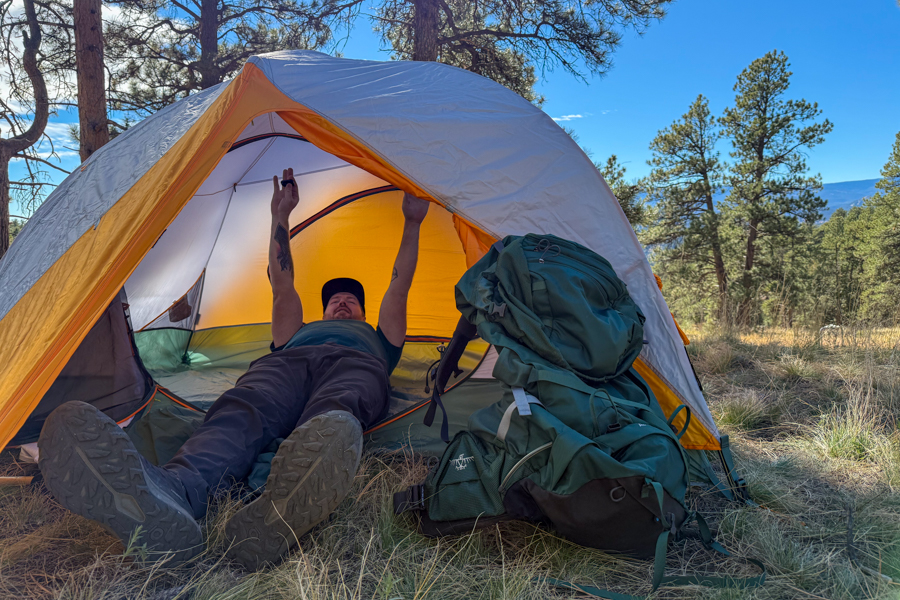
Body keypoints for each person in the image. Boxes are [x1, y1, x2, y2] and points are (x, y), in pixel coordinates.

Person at [37, 168, 430, 569]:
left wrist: (412, 223)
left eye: (351, 300)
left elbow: (399, 284)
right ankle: (175, 492)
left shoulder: (379, 339)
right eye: (335, 300)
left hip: (355, 365)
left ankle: (266, 502)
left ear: (363, 311)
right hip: (286, 363)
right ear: (324, 309)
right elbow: (282, 284)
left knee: (333, 417)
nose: (342, 303)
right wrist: (281, 216)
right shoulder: (298, 330)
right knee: (242, 407)